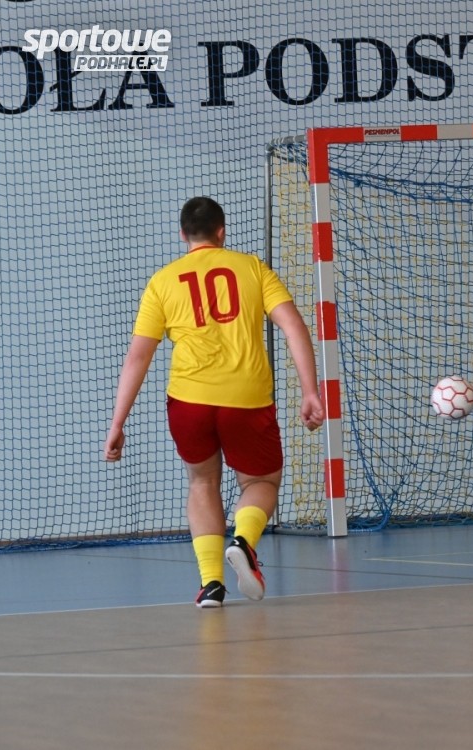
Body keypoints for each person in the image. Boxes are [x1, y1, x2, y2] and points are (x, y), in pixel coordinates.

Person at [103, 197, 325, 606]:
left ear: (183, 234)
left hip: (189, 402)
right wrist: (310, 391)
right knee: (260, 482)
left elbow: (138, 357)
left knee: (202, 482)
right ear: (222, 232)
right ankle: (243, 541)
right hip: (246, 399)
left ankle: (211, 584)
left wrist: (118, 423)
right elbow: (294, 326)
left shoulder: (162, 281)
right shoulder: (253, 268)